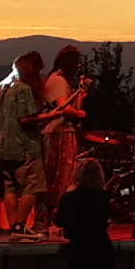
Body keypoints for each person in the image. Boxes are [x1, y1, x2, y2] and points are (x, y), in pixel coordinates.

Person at [0, 53, 49, 234]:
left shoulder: (1, 87)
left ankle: (14, 228)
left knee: (10, 187)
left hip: (3, 147)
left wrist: (7, 127)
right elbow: (26, 118)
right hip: (25, 147)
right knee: (33, 186)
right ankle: (19, 225)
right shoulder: (23, 89)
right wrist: (53, 115)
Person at [40, 44, 88, 207]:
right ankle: (57, 208)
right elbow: (64, 107)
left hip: (61, 131)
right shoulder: (58, 81)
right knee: (61, 175)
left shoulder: (56, 79)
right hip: (60, 132)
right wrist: (78, 113)